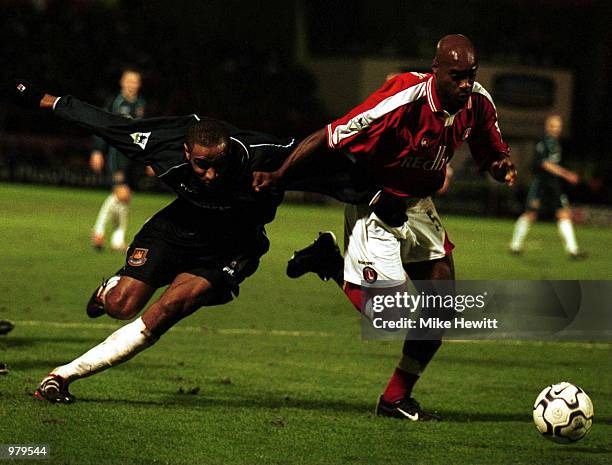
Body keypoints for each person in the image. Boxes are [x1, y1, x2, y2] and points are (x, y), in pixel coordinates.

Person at [253, 34, 517, 421]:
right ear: (436, 70)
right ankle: (329, 262)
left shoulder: (477, 102)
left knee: (441, 310)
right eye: (456, 76)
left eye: (471, 75)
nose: (465, 84)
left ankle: (395, 399)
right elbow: (330, 135)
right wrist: (279, 175)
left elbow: (490, 147)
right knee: (389, 319)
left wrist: (500, 165)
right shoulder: (401, 99)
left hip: (418, 205)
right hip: (375, 204)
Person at [10, 79, 303, 403]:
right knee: (122, 305)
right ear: (186, 152)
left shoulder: (262, 154)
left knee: (170, 308)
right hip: (178, 226)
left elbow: (325, 149)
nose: (210, 175)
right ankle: (107, 291)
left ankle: (62, 375)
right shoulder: (158, 144)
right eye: (201, 165)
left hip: (230, 246)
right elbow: (100, 121)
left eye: (218, 165)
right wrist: (36, 97)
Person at [509, 114, 584, 258]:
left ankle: (573, 250)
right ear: (547, 127)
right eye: (553, 126)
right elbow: (545, 164)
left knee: (564, 215)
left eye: (558, 126)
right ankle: (515, 245)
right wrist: (567, 174)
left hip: (554, 186)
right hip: (541, 185)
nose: (557, 129)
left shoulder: (556, 143)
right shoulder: (542, 143)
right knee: (530, 214)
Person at [89, 68, 146, 251]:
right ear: (122, 82)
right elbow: (101, 125)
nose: (131, 84)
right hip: (116, 155)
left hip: (131, 157)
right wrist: (98, 150)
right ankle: (99, 231)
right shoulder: (115, 102)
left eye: (135, 81)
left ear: (139, 84)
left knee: (124, 197)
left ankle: (117, 239)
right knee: (121, 193)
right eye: (128, 80)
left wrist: (148, 159)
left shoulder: (140, 104)